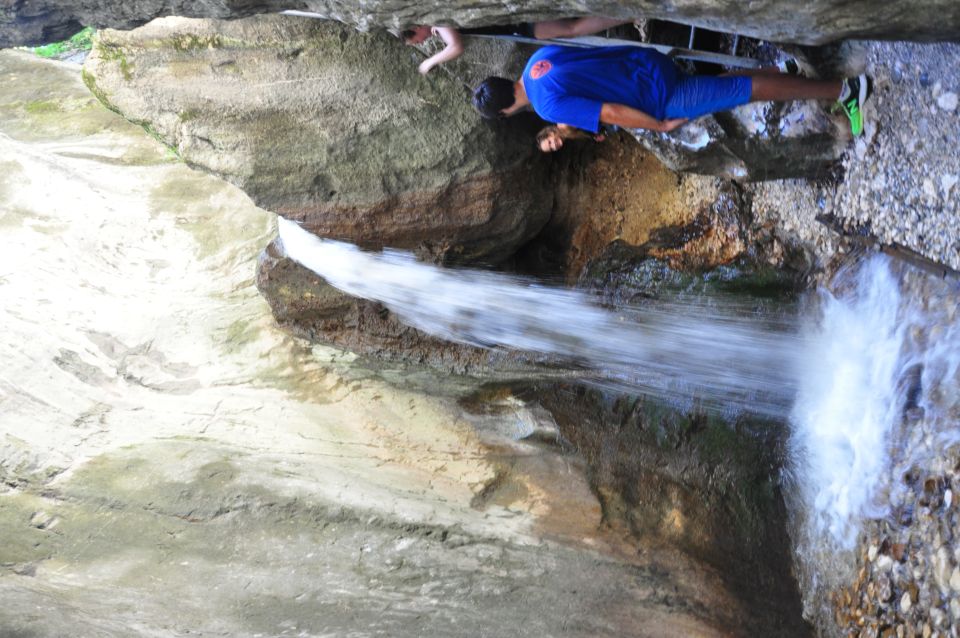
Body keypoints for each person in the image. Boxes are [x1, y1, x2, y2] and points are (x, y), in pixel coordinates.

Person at [472, 45, 873, 136]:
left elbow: (608, 112)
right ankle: (782, 67)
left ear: (506, 111)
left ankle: (845, 89)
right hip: (645, 63)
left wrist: (658, 126)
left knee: (742, 91)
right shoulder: (536, 60)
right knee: (715, 86)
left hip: (654, 96)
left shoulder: (545, 106)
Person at [403, 18, 631, 75]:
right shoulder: (437, 24)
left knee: (573, 29)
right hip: (517, 24)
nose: (423, 42)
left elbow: (455, 46)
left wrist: (429, 61)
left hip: (520, 24)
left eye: (418, 39)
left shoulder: (438, 18)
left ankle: (632, 16)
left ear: (415, 26)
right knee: (572, 26)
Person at [536, 124, 609, 152]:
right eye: (551, 149)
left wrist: (599, 130)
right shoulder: (567, 134)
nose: (554, 146)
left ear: (550, 133)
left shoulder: (564, 125)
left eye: (550, 142)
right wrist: (594, 136)